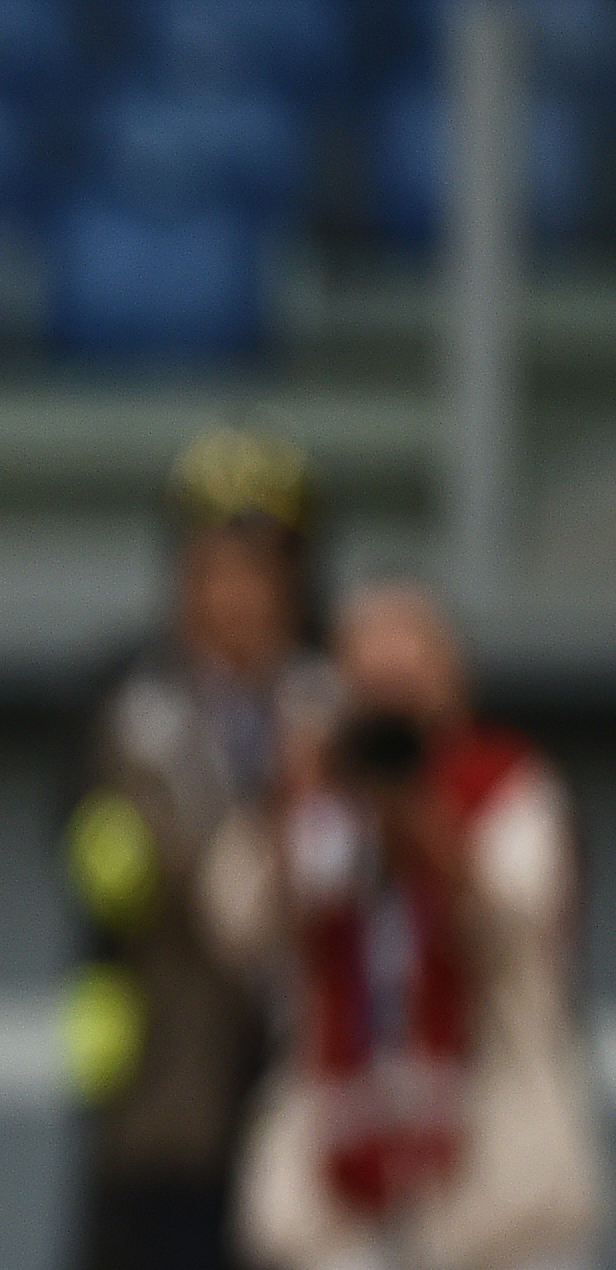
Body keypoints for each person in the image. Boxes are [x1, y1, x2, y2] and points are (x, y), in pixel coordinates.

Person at [208, 584, 600, 1270]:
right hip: (337, 1186)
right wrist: (289, 800)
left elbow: (516, 920)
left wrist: (419, 811)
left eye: (407, 668)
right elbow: (235, 922)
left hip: (499, 1190)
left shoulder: (505, 783)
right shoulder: (312, 799)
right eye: (368, 672)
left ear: (453, 677)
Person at [67, 426, 329, 1270]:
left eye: (259, 573)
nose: (236, 598)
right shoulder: (130, 712)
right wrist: (287, 811)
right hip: (164, 1102)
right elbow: (179, 869)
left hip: (308, 1102)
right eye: (214, 571)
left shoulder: (326, 701)